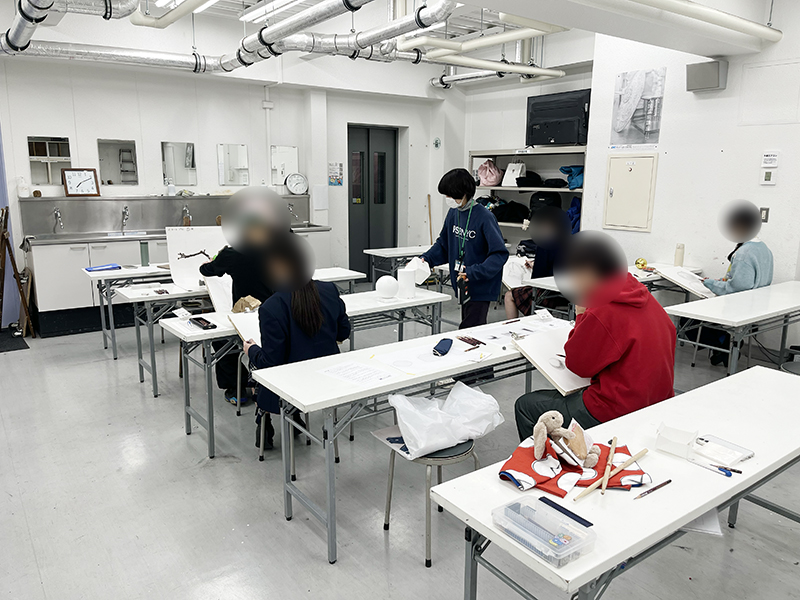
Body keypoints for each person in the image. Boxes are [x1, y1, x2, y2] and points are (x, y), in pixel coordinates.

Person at [514, 232, 676, 441]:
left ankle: (550, 459)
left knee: (527, 405)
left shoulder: (602, 307)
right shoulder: (643, 296)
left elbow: (578, 366)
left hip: (618, 408)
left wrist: (581, 314)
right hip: (658, 401)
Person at [243, 278, 351, 450]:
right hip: (328, 379)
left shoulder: (271, 307)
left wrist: (252, 350)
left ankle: (263, 418)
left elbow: (270, 362)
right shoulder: (329, 290)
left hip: (293, 385)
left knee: (254, 366)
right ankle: (292, 416)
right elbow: (343, 332)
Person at [421, 168, 509, 328]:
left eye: (451, 195)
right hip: (463, 282)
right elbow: (443, 244)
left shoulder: (485, 217)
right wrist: (426, 259)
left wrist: (474, 272)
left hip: (480, 284)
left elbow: (499, 254)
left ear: (463, 193)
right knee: (469, 326)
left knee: (470, 328)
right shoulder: (453, 213)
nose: (448, 199)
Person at [694, 200, 774, 366]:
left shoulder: (744, 253)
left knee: (689, 321)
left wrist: (711, 284)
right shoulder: (764, 249)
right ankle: (723, 346)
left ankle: (723, 344)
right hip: (757, 305)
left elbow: (737, 288)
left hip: (739, 307)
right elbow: (743, 279)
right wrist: (722, 281)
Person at [199, 244, 272, 405]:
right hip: (279, 316)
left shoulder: (233, 253)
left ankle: (236, 388)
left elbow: (206, 270)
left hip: (247, 318)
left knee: (221, 340)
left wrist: (211, 262)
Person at [504, 206, 570, 319]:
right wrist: (535, 263)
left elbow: (538, 277)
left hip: (549, 293)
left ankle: (513, 326)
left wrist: (535, 267)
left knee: (509, 296)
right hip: (567, 294)